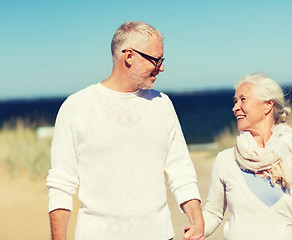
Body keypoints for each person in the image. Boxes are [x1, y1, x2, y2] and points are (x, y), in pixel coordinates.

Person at [46, 21, 205, 240]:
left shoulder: (162, 104)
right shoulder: (77, 106)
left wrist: (197, 219)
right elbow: (61, 184)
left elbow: (181, 170)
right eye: (156, 60)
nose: (161, 67)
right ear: (129, 56)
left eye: (162, 60)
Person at [202, 73, 292, 239]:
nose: (235, 107)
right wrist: (196, 229)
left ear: (268, 105)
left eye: (243, 99)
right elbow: (213, 214)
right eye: (235, 101)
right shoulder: (226, 160)